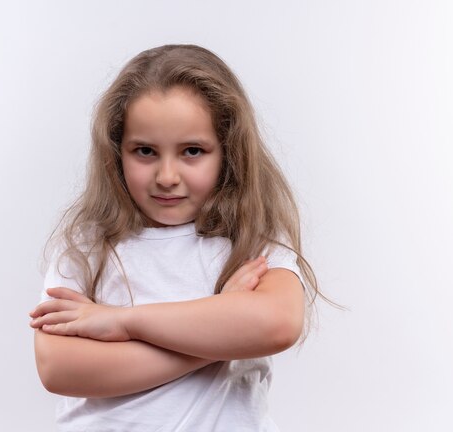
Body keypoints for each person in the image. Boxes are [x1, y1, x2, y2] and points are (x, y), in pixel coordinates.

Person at [29, 44, 323, 431]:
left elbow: (277, 323)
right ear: (117, 153)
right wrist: (220, 328)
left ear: (228, 153)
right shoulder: (89, 247)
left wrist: (122, 323)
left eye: (192, 151)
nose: (167, 176)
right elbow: (58, 368)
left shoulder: (251, 242)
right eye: (146, 151)